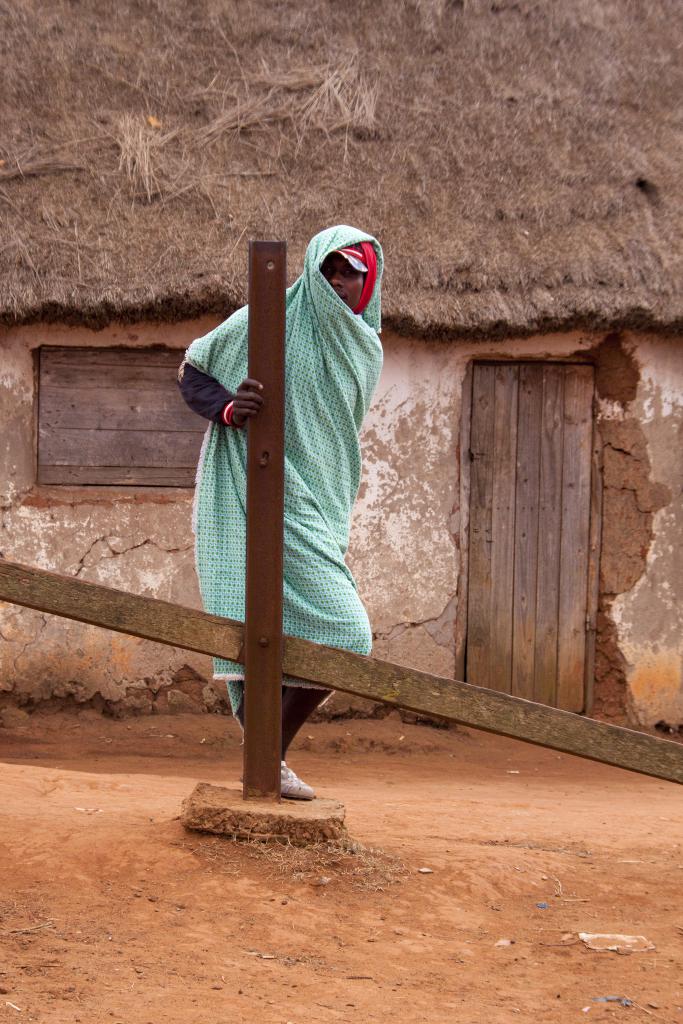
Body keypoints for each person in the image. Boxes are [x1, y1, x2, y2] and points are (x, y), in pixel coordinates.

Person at [178, 225, 383, 799]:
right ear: (314, 273)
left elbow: (332, 428)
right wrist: (227, 406)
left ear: (371, 283)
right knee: (348, 633)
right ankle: (267, 754)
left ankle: (266, 758)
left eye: (353, 274)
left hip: (322, 498)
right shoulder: (269, 320)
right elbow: (192, 370)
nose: (340, 285)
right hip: (266, 485)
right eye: (331, 272)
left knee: (305, 633)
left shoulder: (366, 345)